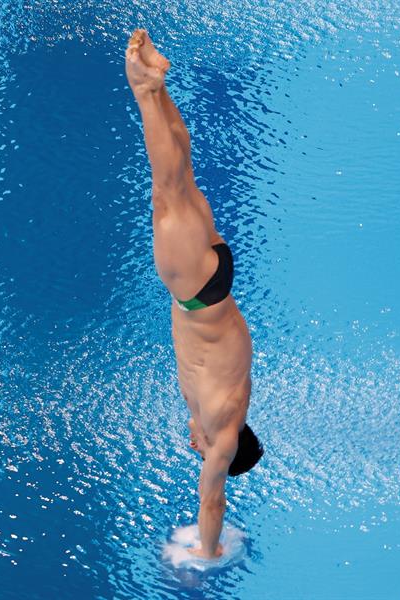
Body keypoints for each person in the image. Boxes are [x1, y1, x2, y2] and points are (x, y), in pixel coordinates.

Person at [125, 29, 264, 560]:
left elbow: (197, 412)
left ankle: (158, 86)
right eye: (206, 453)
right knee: (167, 187)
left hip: (216, 281)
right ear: (225, 452)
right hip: (197, 293)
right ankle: (144, 87)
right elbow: (213, 502)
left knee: (180, 182)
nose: (196, 450)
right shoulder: (223, 430)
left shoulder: (223, 408)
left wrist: (198, 429)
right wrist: (207, 553)